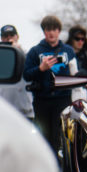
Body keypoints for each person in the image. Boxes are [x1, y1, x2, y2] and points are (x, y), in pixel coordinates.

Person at [23, 15, 77, 157]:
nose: (51, 33)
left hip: (63, 99)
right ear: (44, 32)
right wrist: (41, 68)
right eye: (48, 30)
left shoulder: (68, 51)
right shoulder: (35, 51)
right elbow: (26, 75)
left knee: (61, 136)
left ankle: (62, 169)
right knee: (43, 137)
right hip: (42, 100)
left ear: (59, 31)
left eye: (54, 29)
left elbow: (76, 74)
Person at [0, 25, 34, 119]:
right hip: (3, 111)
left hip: (24, 111)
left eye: (12, 35)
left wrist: (19, 50)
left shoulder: (27, 54)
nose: (9, 38)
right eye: (5, 36)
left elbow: (32, 67)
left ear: (17, 37)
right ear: (1, 39)